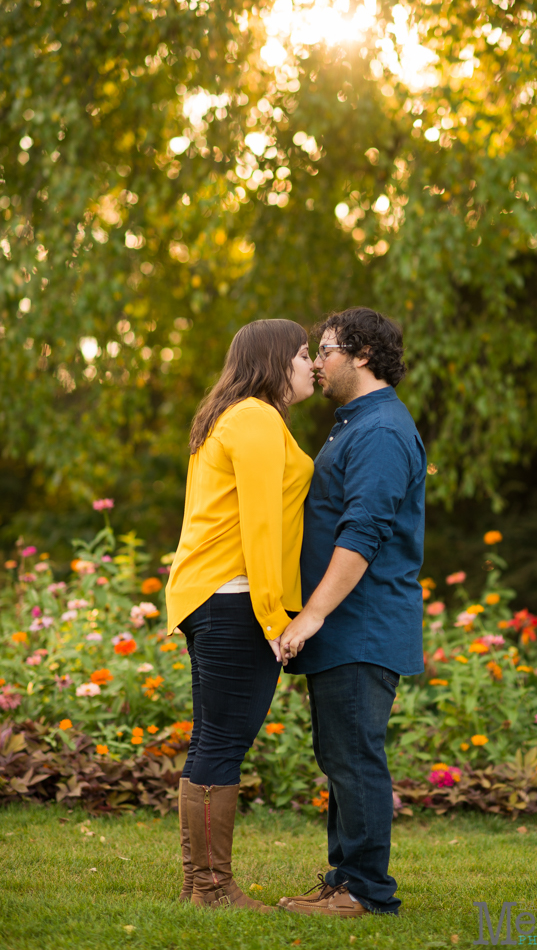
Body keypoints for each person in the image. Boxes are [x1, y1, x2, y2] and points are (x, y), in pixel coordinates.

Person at [278, 307, 427, 918]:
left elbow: (363, 532)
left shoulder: (382, 431)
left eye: (328, 349)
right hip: (345, 626)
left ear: (363, 354)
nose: (317, 361)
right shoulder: (355, 424)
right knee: (339, 753)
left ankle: (366, 891)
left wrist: (311, 615)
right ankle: (345, 880)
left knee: (354, 754)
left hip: (360, 624)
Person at [165, 319, 314, 913]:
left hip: (213, 596)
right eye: (303, 355)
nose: (311, 366)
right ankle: (212, 887)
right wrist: (274, 617)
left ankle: (197, 883)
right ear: (275, 361)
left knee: (212, 740)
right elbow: (259, 523)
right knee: (222, 743)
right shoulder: (253, 418)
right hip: (234, 598)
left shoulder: (230, 416)